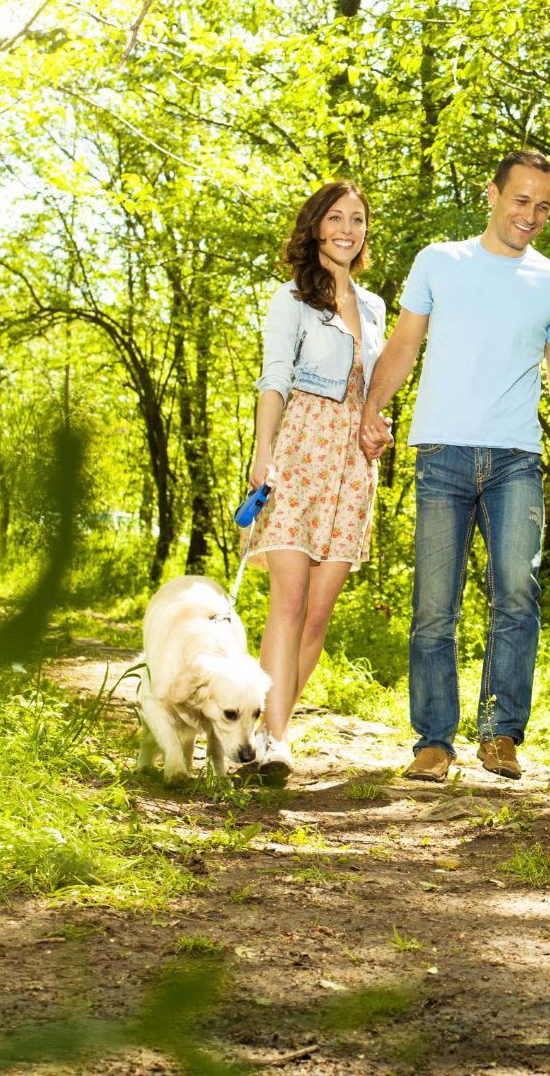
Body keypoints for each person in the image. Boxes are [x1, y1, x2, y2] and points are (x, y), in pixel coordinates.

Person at [359, 150, 550, 783]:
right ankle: (434, 743)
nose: (532, 215)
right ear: (492, 194)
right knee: (434, 605)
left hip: (515, 460)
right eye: (521, 200)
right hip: (440, 452)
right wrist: (370, 409)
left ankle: (500, 736)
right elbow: (405, 343)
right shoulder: (440, 261)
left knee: (517, 598)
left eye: (544, 206)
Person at [243, 178, 386, 780]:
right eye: (336, 218)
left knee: (320, 615)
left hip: (353, 466)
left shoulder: (376, 306)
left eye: (357, 219)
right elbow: (275, 378)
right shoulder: (292, 300)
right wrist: (262, 453)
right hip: (301, 451)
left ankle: (261, 732)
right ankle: (274, 742)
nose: (347, 229)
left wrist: (377, 424)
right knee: (290, 602)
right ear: (316, 227)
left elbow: (374, 388)